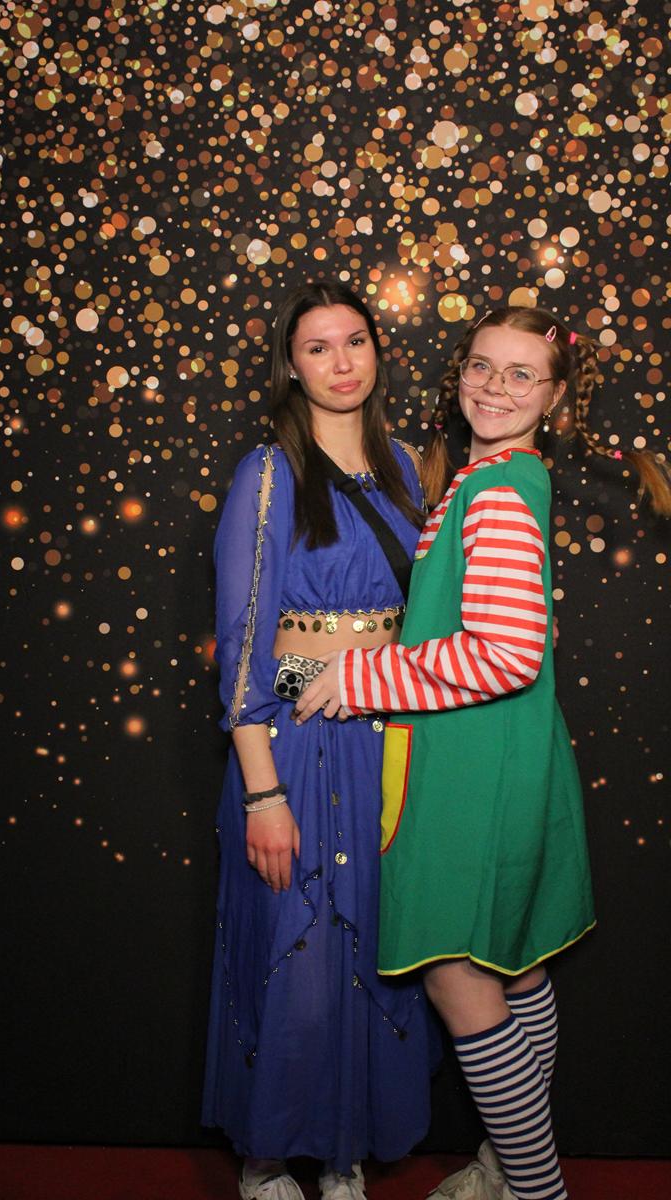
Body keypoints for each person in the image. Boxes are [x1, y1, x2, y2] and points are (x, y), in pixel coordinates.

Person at [295, 306, 671, 1200]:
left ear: (556, 397)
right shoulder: (500, 476)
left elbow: (505, 654)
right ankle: (507, 1174)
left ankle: (535, 1191)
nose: (496, 388)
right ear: (459, 373)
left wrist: (362, 676)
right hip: (509, 758)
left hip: (471, 772)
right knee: (517, 963)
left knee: (458, 976)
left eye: (521, 374)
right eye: (482, 367)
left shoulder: (497, 492)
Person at [202, 281, 439, 1200]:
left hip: (393, 739)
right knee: (293, 942)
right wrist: (262, 791)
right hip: (295, 742)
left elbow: (433, 619)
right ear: (291, 367)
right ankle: (267, 1156)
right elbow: (244, 640)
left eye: (355, 341)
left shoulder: (410, 465)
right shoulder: (268, 473)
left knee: (377, 947)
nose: (342, 363)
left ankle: (344, 1152)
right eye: (317, 347)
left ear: (378, 350)